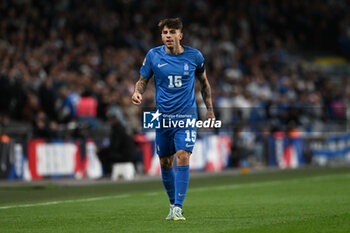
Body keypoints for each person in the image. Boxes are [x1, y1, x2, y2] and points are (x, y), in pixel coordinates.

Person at [131, 18, 215, 221]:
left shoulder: (194, 56)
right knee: (165, 161)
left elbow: (204, 83)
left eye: (172, 32)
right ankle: (171, 204)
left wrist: (210, 110)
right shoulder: (153, 55)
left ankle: (178, 207)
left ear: (180, 35)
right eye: (165, 32)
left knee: (183, 155)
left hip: (186, 115)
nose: (168, 36)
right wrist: (137, 92)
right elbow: (143, 80)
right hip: (162, 117)